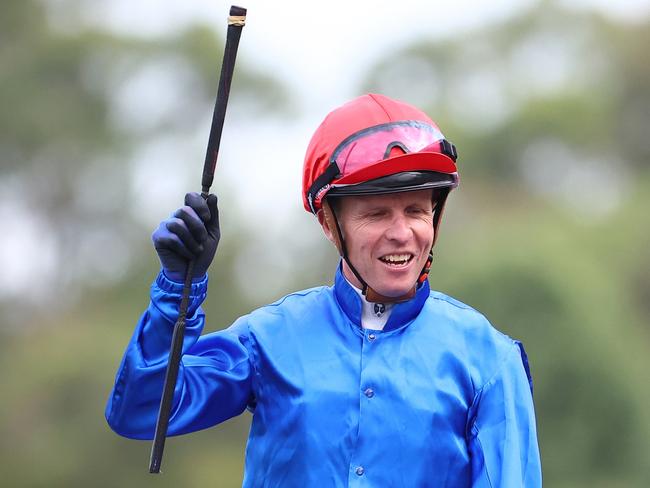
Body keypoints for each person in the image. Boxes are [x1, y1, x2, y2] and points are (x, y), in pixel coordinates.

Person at [106, 93, 542, 487]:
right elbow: (140, 412)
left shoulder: (490, 360)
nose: (402, 233)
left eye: (416, 210)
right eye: (376, 214)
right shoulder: (269, 338)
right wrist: (177, 290)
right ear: (329, 223)